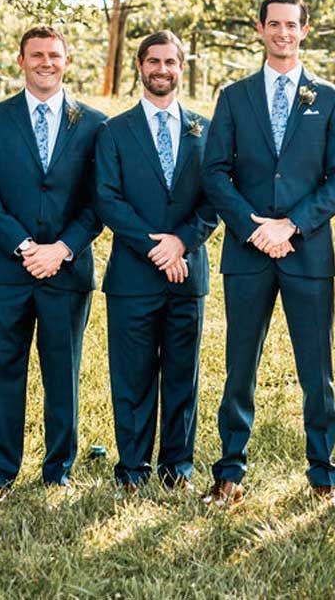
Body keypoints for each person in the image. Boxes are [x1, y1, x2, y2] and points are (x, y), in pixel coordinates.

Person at [201, 0, 335, 506]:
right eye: (274, 24)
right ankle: (229, 473)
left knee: (317, 369)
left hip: (306, 251)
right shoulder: (234, 96)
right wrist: (253, 227)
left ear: (304, 30)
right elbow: (215, 172)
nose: (283, 32)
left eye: (292, 25)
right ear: (261, 29)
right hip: (247, 252)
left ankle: (322, 474)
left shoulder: (330, 99)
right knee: (239, 366)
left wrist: (291, 225)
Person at [0, 25, 105, 496]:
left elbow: (98, 201)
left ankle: (58, 470)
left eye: (54, 55)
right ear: (20, 60)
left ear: (67, 61)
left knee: (62, 371)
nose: (46, 62)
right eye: (37, 55)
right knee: (2, 369)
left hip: (67, 269)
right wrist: (25, 247)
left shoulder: (93, 123)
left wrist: (62, 249)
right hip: (8, 269)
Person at [94, 30, 218, 492]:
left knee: (183, 375)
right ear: (140, 67)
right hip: (132, 274)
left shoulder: (206, 131)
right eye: (153, 62)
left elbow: (215, 199)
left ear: (181, 68)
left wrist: (181, 243)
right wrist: (155, 246)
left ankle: (177, 469)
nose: (161, 70)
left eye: (170, 62)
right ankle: (132, 469)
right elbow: (107, 199)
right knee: (133, 377)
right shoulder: (114, 131)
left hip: (187, 274)